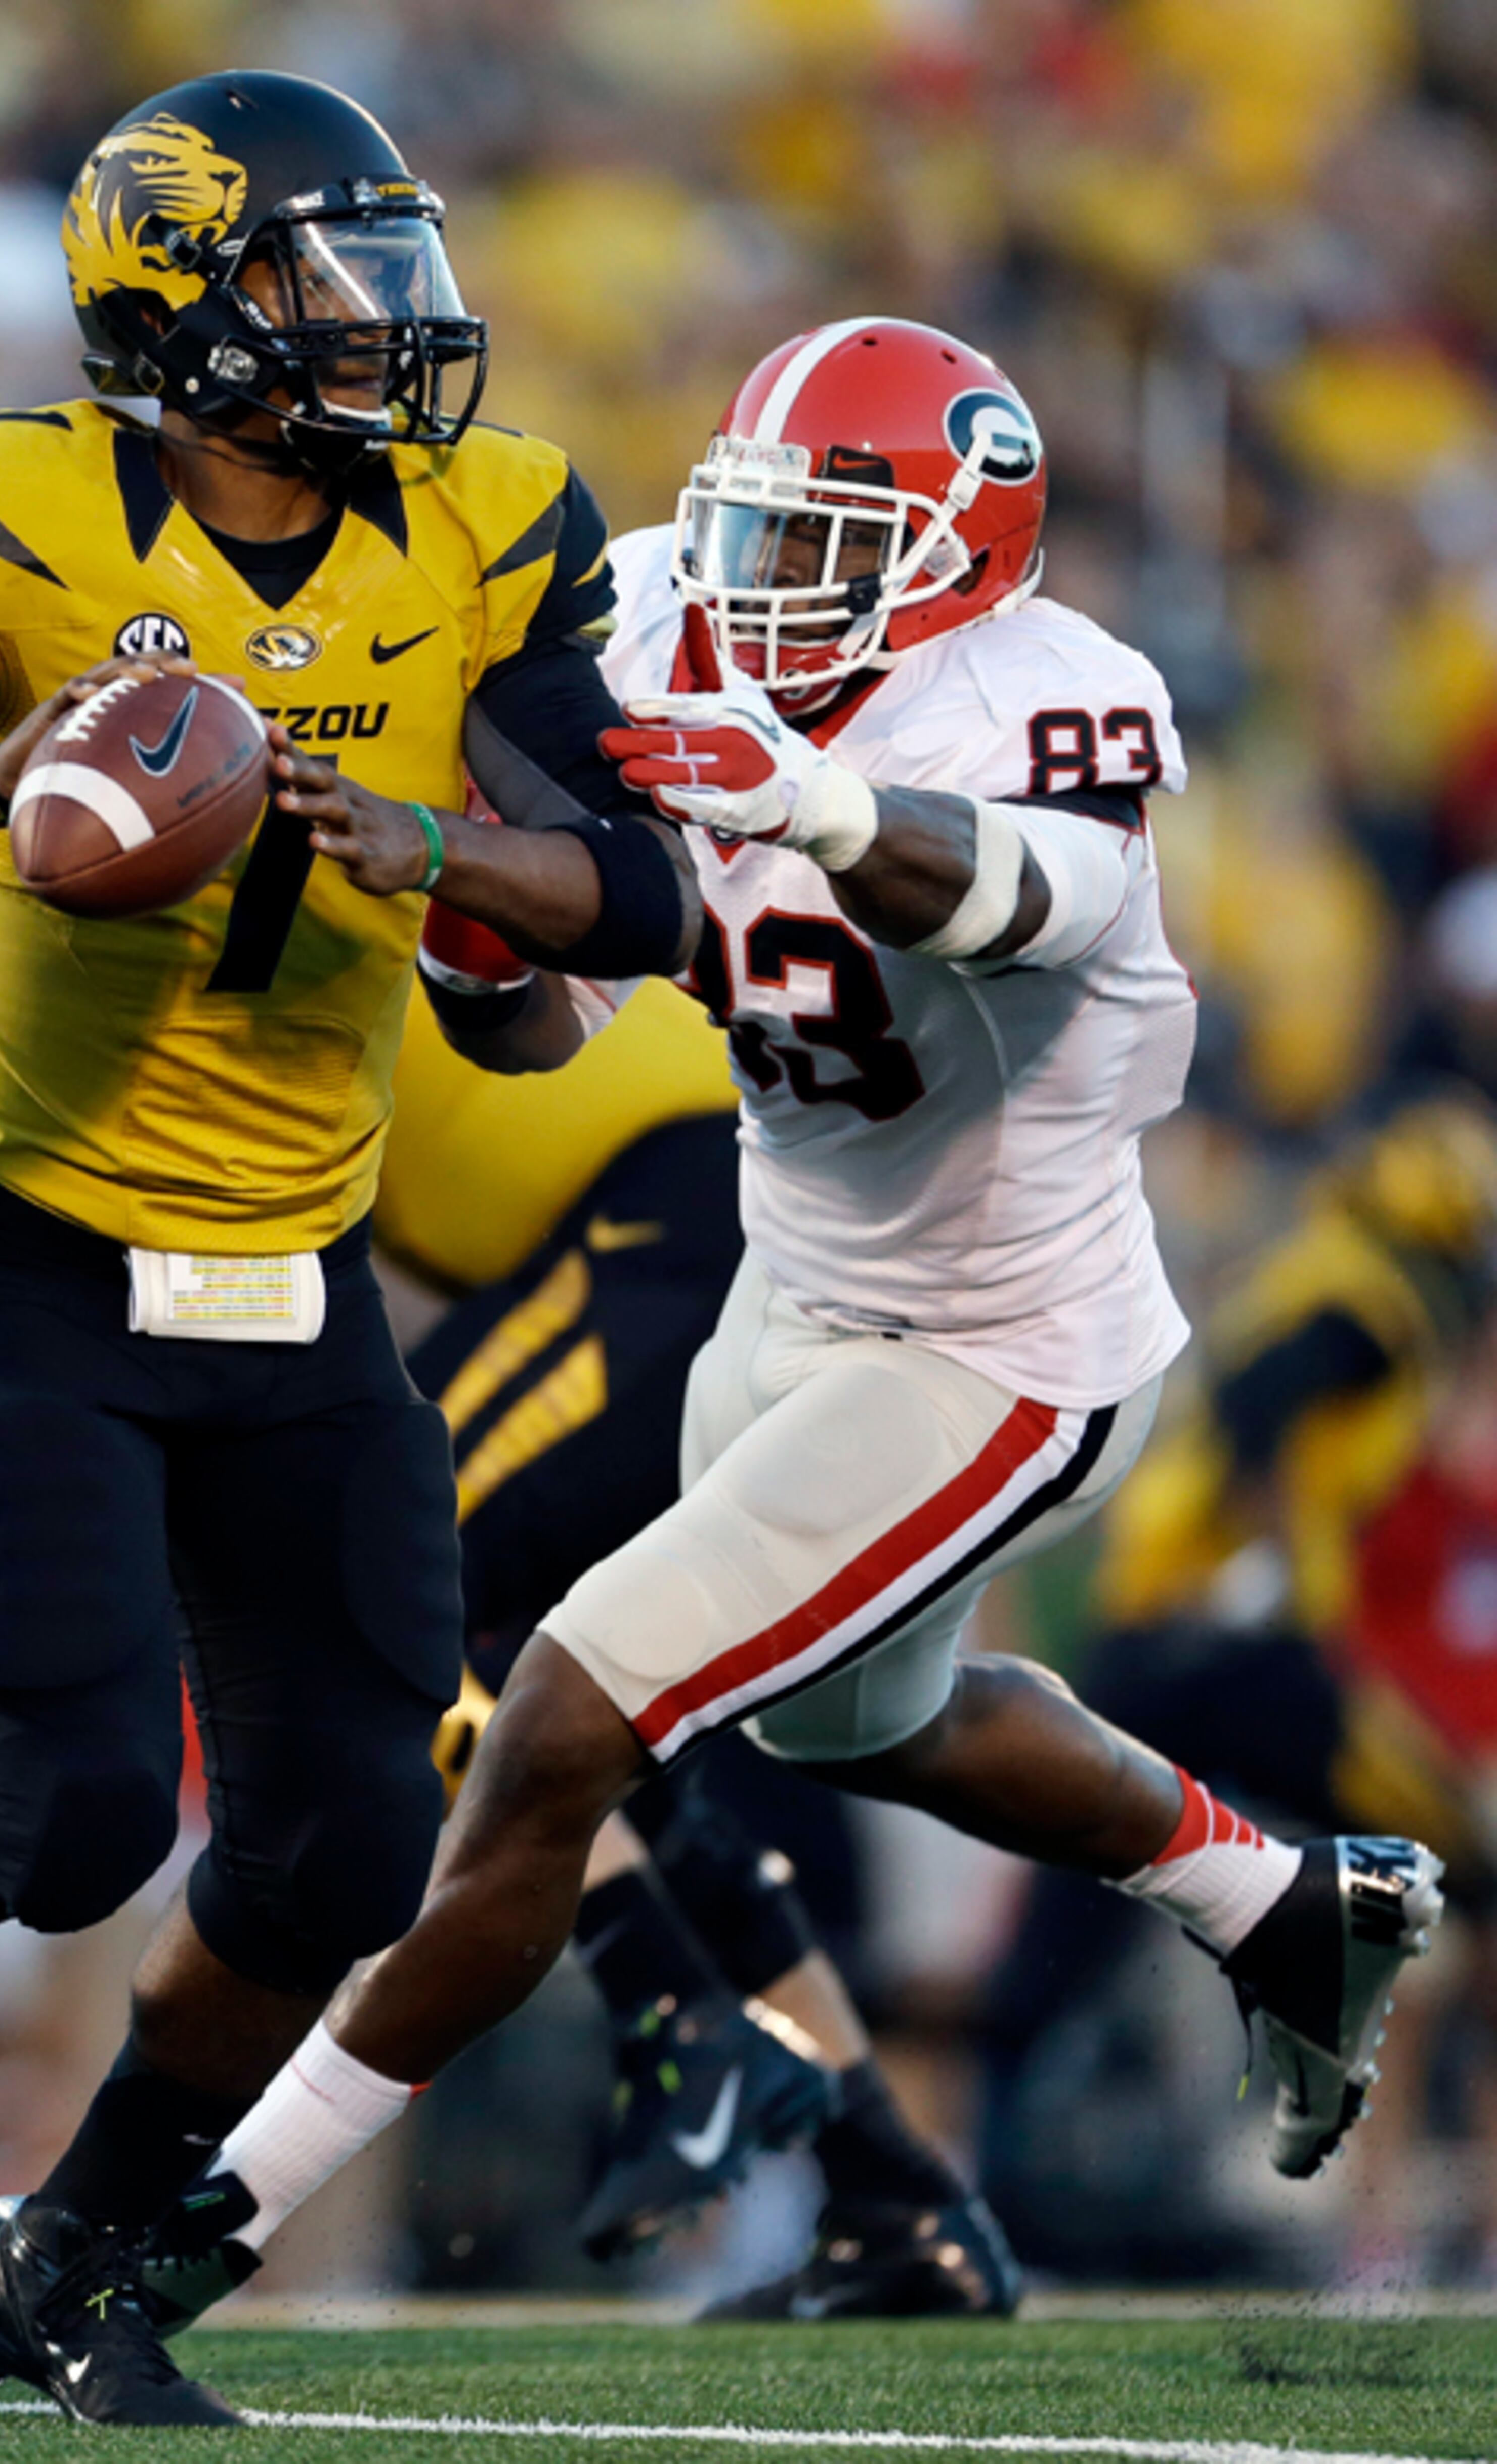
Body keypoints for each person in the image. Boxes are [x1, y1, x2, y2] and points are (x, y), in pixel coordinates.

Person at [138, 319, 1444, 2348]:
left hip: (1007, 1343)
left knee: (565, 1710)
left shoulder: (1047, 693)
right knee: (851, 1722)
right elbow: (552, 1010)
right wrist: (481, 933)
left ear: (955, 556)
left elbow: (1019, 893)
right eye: (755, 526)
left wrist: (823, 802)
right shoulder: (658, 610)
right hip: (794, 1270)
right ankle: (1280, 1902)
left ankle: (190, 2215)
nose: (764, 580)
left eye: (827, 543)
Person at [0, 72, 701, 2427]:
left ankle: (76, 2247)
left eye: (392, 262)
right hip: (25, 1243)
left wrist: (438, 847)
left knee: (347, 1846)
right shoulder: (2, 501)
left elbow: (637, 886)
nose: (389, 316)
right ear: (180, 305)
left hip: (298, 1271)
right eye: (327, 273)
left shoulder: (493, 521)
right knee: (80, 1813)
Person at [387, 984, 1018, 2311]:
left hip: (684, 1212)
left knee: (365, 1594)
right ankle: (891, 2186)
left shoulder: (152, 934)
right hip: (731, 1220)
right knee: (601, 1724)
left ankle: (672, 2008)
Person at [983, 1090, 1497, 2252]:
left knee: (1079, 1899)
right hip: (1227, 1636)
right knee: (1457, 1853)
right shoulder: (1371, 1299)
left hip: (1155, 1629)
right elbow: (1261, 1415)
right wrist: (1268, 1559)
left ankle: (996, 2162)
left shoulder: (1325, 1272)